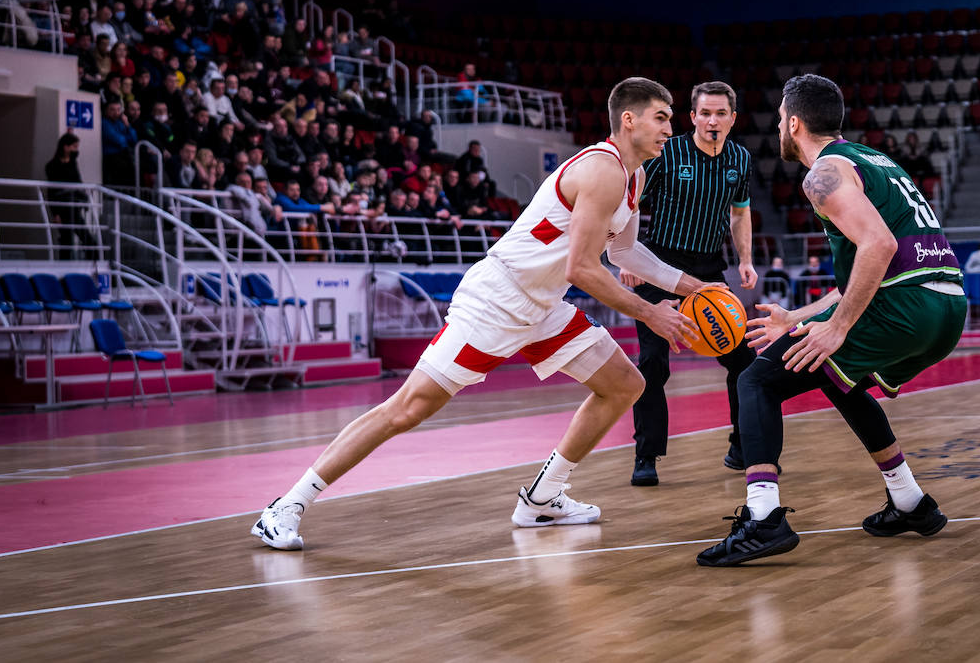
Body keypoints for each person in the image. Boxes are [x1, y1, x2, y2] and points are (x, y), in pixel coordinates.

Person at [252, 78, 720, 551]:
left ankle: (544, 496)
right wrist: (651, 313)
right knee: (408, 409)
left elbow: (625, 254)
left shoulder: (632, 177)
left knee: (625, 384)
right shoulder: (603, 170)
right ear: (629, 119)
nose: (669, 128)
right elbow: (583, 268)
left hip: (541, 304)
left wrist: (693, 286)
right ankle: (285, 506)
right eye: (661, 117)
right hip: (500, 298)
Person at [697, 73, 965, 567]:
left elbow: (879, 248)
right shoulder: (871, 159)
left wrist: (837, 326)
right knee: (840, 378)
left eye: (779, 117)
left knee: (757, 381)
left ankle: (763, 519)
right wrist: (796, 318)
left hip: (907, 306)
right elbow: (872, 267)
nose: (778, 125)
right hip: (943, 305)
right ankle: (910, 502)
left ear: (793, 123)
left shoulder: (822, 174)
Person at [619, 81, 756, 487]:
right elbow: (629, 199)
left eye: (721, 114)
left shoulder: (740, 159)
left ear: (733, 119)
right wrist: (626, 255)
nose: (712, 121)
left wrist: (745, 259)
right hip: (658, 262)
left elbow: (740, 212)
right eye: (705, 113)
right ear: (692, 117)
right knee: (652, 364)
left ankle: (742, 446)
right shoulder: (668, 152)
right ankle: (647, 456)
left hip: (709, 270)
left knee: (742, 361)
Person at [44, 132, 97, 258]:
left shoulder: (73, 163)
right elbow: (51, 191)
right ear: (65, 147)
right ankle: (65, 270)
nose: (76, 150)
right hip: (62, 208)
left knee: (88, 240)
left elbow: (78, 182)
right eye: (74, 146)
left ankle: (90, 267)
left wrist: (83, 198)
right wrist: (55, 213)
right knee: (66, 241)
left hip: (74, 205)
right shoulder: (52, 166)